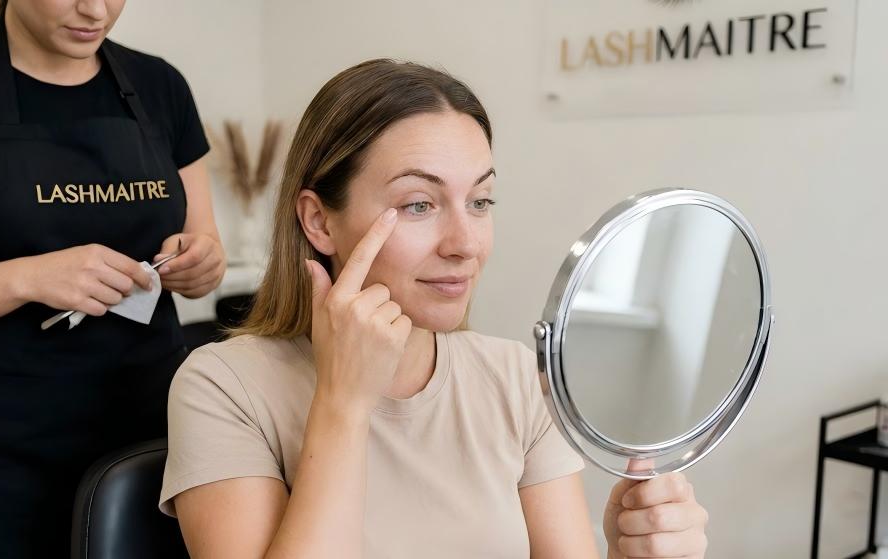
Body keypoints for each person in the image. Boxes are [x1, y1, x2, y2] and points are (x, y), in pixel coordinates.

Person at [160, 59, 708, 558]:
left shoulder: (514, 377)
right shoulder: (221, 388)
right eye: (419, 204)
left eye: (480, 201)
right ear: (319, 221)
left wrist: (627, 555)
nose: (464, 244)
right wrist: (344, 403)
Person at [0, 0, 225, 556]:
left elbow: (206, 255)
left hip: (155, 439)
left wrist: (200, 264)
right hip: (0, 462)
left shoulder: (160, 85)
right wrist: (28, 278)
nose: (95, 9)